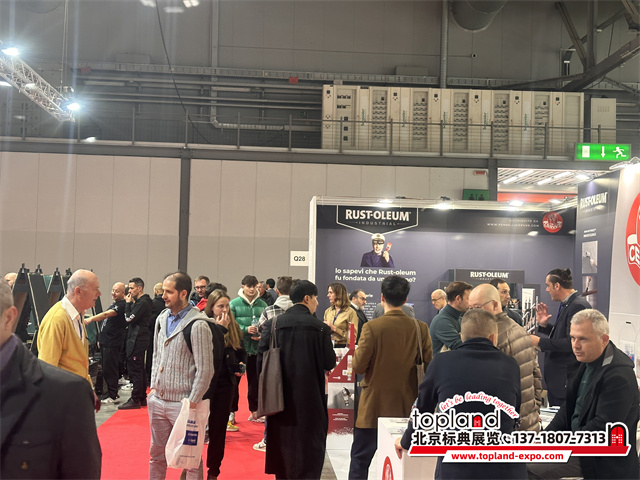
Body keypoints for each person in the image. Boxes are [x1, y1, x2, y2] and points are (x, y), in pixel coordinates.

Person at [395, 308, 525, 480]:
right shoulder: (510, 365)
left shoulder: (441, 362)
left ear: (462, 336)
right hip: (503, 467)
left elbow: (422, 411)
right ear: (493, 337)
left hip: (457, 467)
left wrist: (406, 441)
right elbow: (514, 412)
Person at [0, 280, 102, 479]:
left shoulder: (67, 394)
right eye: (95, 289)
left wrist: (86, 387)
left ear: (8, 318)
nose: (98, 293)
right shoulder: (58, 318)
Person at [527, 309, 639, 480]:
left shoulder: (619, 376)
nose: (575, 345)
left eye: (583, 339)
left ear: (604, 339)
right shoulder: (583, 361)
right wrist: (544, 438)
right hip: (577, 445)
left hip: (599, 458)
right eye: (573, 338)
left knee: (528, 467)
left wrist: (561, 444)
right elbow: (568, 408)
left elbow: (602, 427)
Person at [348, 275, 432, 480]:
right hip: (407, 406)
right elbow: (429, 365)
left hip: (373, 407)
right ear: (405, 299)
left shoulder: (372, 327)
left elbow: (358, 366)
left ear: (382, 298)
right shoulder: (420, 328)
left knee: (360, 459)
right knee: (404, 463)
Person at [258, 279, 336, 480]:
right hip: (311, 399)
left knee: (282, 448)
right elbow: (329, 362)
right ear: (307, 298)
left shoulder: (273, 325)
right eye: (316, 298)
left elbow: (261, 361)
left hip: (279, 398)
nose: (317, 303)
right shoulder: (320, 328)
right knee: (310, 447)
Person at [148, 272, 214, 480]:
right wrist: (153, 389)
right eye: (163, 291)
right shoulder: (161, 319)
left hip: (183, 405)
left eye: (169, 292)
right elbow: (156, 355)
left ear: (183, 293)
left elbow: (206, 370)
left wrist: (192, 403)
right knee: (156, 457)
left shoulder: (198, 324)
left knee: (191, 460)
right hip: (158, 401)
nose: (163, 296)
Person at [468, 284, 542, 431]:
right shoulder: (520, 330)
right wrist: (534, 410)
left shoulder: (492, 338)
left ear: (495, 305)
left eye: (477, 307)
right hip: (527, 421)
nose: (472, 314)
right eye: (469, 308)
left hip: (505, 425)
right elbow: (536, 375)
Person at [37, 269, 101, 410]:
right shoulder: (56, 320)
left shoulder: (77, 317)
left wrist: (89, 389)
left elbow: (78, 362)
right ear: (78, 291)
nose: (99, 294)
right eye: (95, 289)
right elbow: (47, 369)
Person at [530, 268, 591, 406]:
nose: (547, 290)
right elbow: (564, 335)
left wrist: (539, 342)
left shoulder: (577, 306)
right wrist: (545, 326)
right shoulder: (569, 304)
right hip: (559, 383)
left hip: (565, 382)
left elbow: (572, 343)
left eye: (548, 285)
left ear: (557, 286)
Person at [204, 289, 246, 479]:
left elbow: (241, 351)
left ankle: (213, 471)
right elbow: (208, 353)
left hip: (225, 385)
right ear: (211, 307)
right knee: (197, 429)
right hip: (205, 384)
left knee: (218, 430)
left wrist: (241, 365)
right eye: (220, 306)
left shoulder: (233, 326)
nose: (225, 310)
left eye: (227, 306)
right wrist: (220, 330)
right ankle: (191, 468)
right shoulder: (204, 325)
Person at [253, 276, 294, 451]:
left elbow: (260, 329)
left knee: (272, 400)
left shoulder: (269, 310)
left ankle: (268, 439)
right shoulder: (299, 311)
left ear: (277, 291)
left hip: (273, 360)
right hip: (294, 360)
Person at [229, 274, 268, 422]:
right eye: (249, 286)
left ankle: (255, 411)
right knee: (234, 382)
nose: (251, 289)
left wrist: (261, 334)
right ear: (242, 287)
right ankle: (231, 412)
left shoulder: (263, 305)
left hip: (256, 348)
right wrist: (245, 329)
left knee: (255, 381)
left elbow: (267, 325)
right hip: (238, 348)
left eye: (254, 286)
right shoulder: (233, 304)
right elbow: (231, 324)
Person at [84, 281, 127, 404]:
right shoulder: (115, 304)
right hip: (106, 341)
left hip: (112, 342)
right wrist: (100, 339)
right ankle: (109, 392)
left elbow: (106, 315)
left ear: (123, 293)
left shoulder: (122, 305)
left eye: (117, 291)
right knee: (106, 368)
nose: (113, 293)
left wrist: (91, 319)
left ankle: (113, 395)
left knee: (110, 369)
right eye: (113, 290)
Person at [119, 277, 153, 410]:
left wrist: (127, 304)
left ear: (139, 288)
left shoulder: (143, 303)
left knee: (135, 369)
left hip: (138, 339)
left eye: (132, 288)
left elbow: (129, 318)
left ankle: (135, 398)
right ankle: (141, 397)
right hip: (138, 338)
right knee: (139, 368)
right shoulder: (140, 302)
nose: (129, 291)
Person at [429, 281, 473, 355]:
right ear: (458, 298)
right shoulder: (441, 321)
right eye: (468, 299)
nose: (470, 303)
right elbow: (462, 347)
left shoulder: (458, 319)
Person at [324, 282, 358, 347]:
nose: (328, 295)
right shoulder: (328, 311)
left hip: (343, 347)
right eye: (328, 292)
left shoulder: (350, 312)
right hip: (329, 345)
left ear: (339, 294)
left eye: (331, 293)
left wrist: (335, 329)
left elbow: (353, 338)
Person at [146, 282, 165, 383]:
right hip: (164, 334)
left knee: (152, 355)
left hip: (152, 333)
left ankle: (150, 378)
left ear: (156, 291)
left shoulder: (152, 304)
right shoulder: (168, 304)